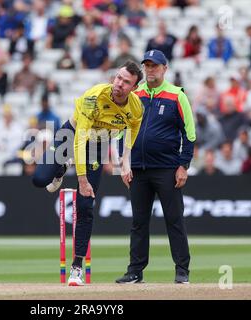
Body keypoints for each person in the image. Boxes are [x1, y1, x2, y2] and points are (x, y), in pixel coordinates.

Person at [32, 61, 144, 286]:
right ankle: (61, 169)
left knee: (85, 206)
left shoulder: (136, 107)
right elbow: (79, 140)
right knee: (40, 180)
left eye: (126, 82)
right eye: (118, 78)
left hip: (98, 145)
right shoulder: (94, 96)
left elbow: (133, 129)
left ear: (134, 88)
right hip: (73, 134)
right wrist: (81, 180)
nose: (119, 84)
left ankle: (76, 268)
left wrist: (125, 161)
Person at [116, 50, 196, 285]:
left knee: (174, 220)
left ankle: (182, 270)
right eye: (147, 65)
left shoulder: (176, 95)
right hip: (138, 169)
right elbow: (124, 130)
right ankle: (135, 271)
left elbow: (189, 134)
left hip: (166, 169)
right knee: (139, 222)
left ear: (164, 69)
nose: (151, 69)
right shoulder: (135, 94)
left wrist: (183, 165)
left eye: (155, 66)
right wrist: (124, 162)